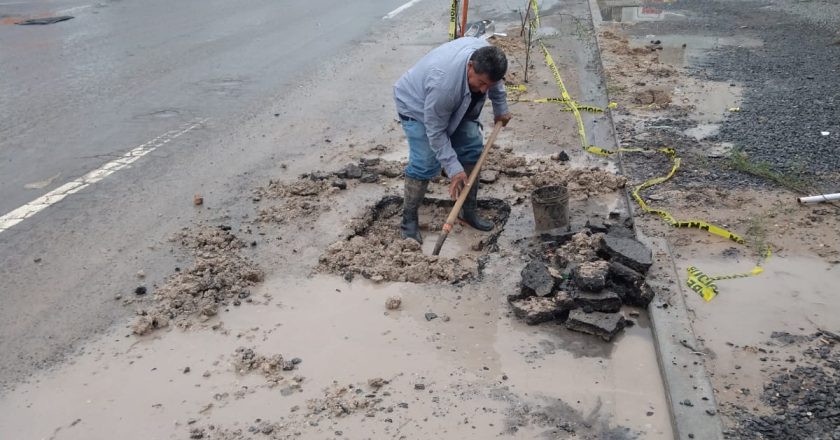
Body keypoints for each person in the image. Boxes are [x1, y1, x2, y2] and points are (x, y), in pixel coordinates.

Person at [393, 37, 512, 244]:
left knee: (472, 149)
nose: (484, 90)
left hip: (460, 103)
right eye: (481, 83)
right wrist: (452, 167)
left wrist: (500, 109)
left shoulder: (487, 61)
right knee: (425, 162)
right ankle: (408, 221)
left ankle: (468, 211)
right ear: (470, 66)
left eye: (488, 85)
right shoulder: (443, 85)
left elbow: (495, 84)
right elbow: (436, 131)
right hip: (417, 106)